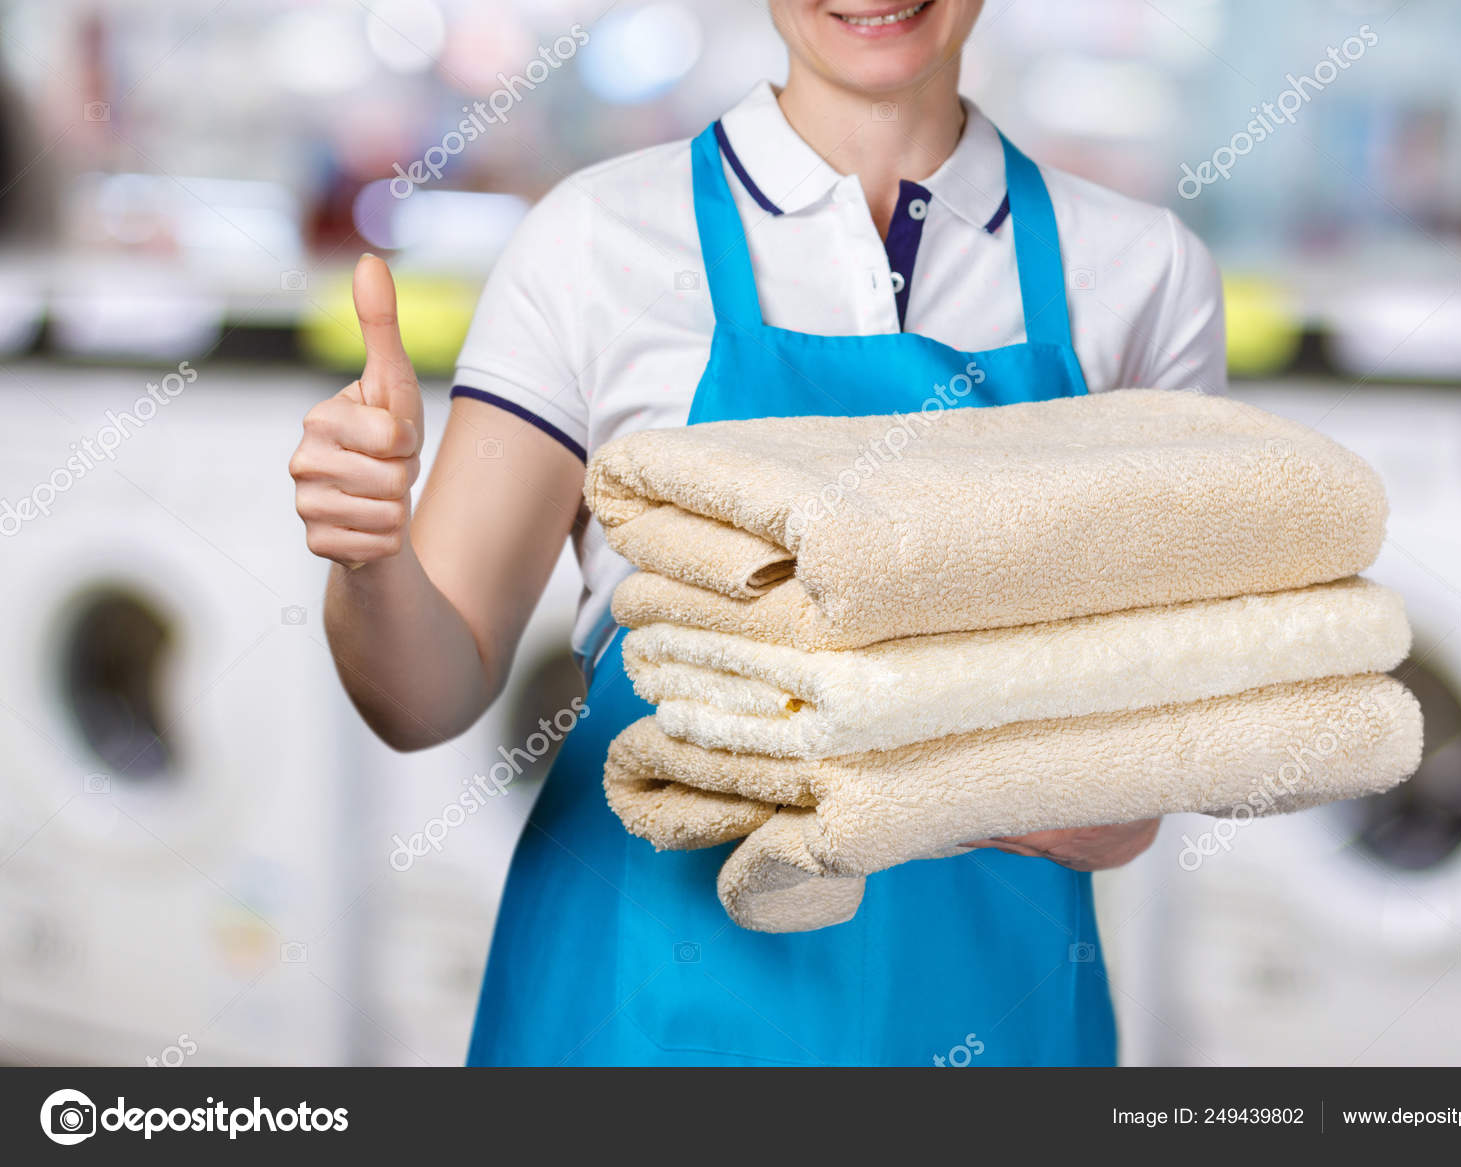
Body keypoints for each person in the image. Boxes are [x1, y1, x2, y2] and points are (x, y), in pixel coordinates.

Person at [289, 0, 1226, 1066]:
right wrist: (369, 560)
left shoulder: (1144, 275)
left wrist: (1104, 794)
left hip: (990, 1007)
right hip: (641, 1010)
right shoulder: (595, 241)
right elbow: (422, 700)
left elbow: (1144, 763)